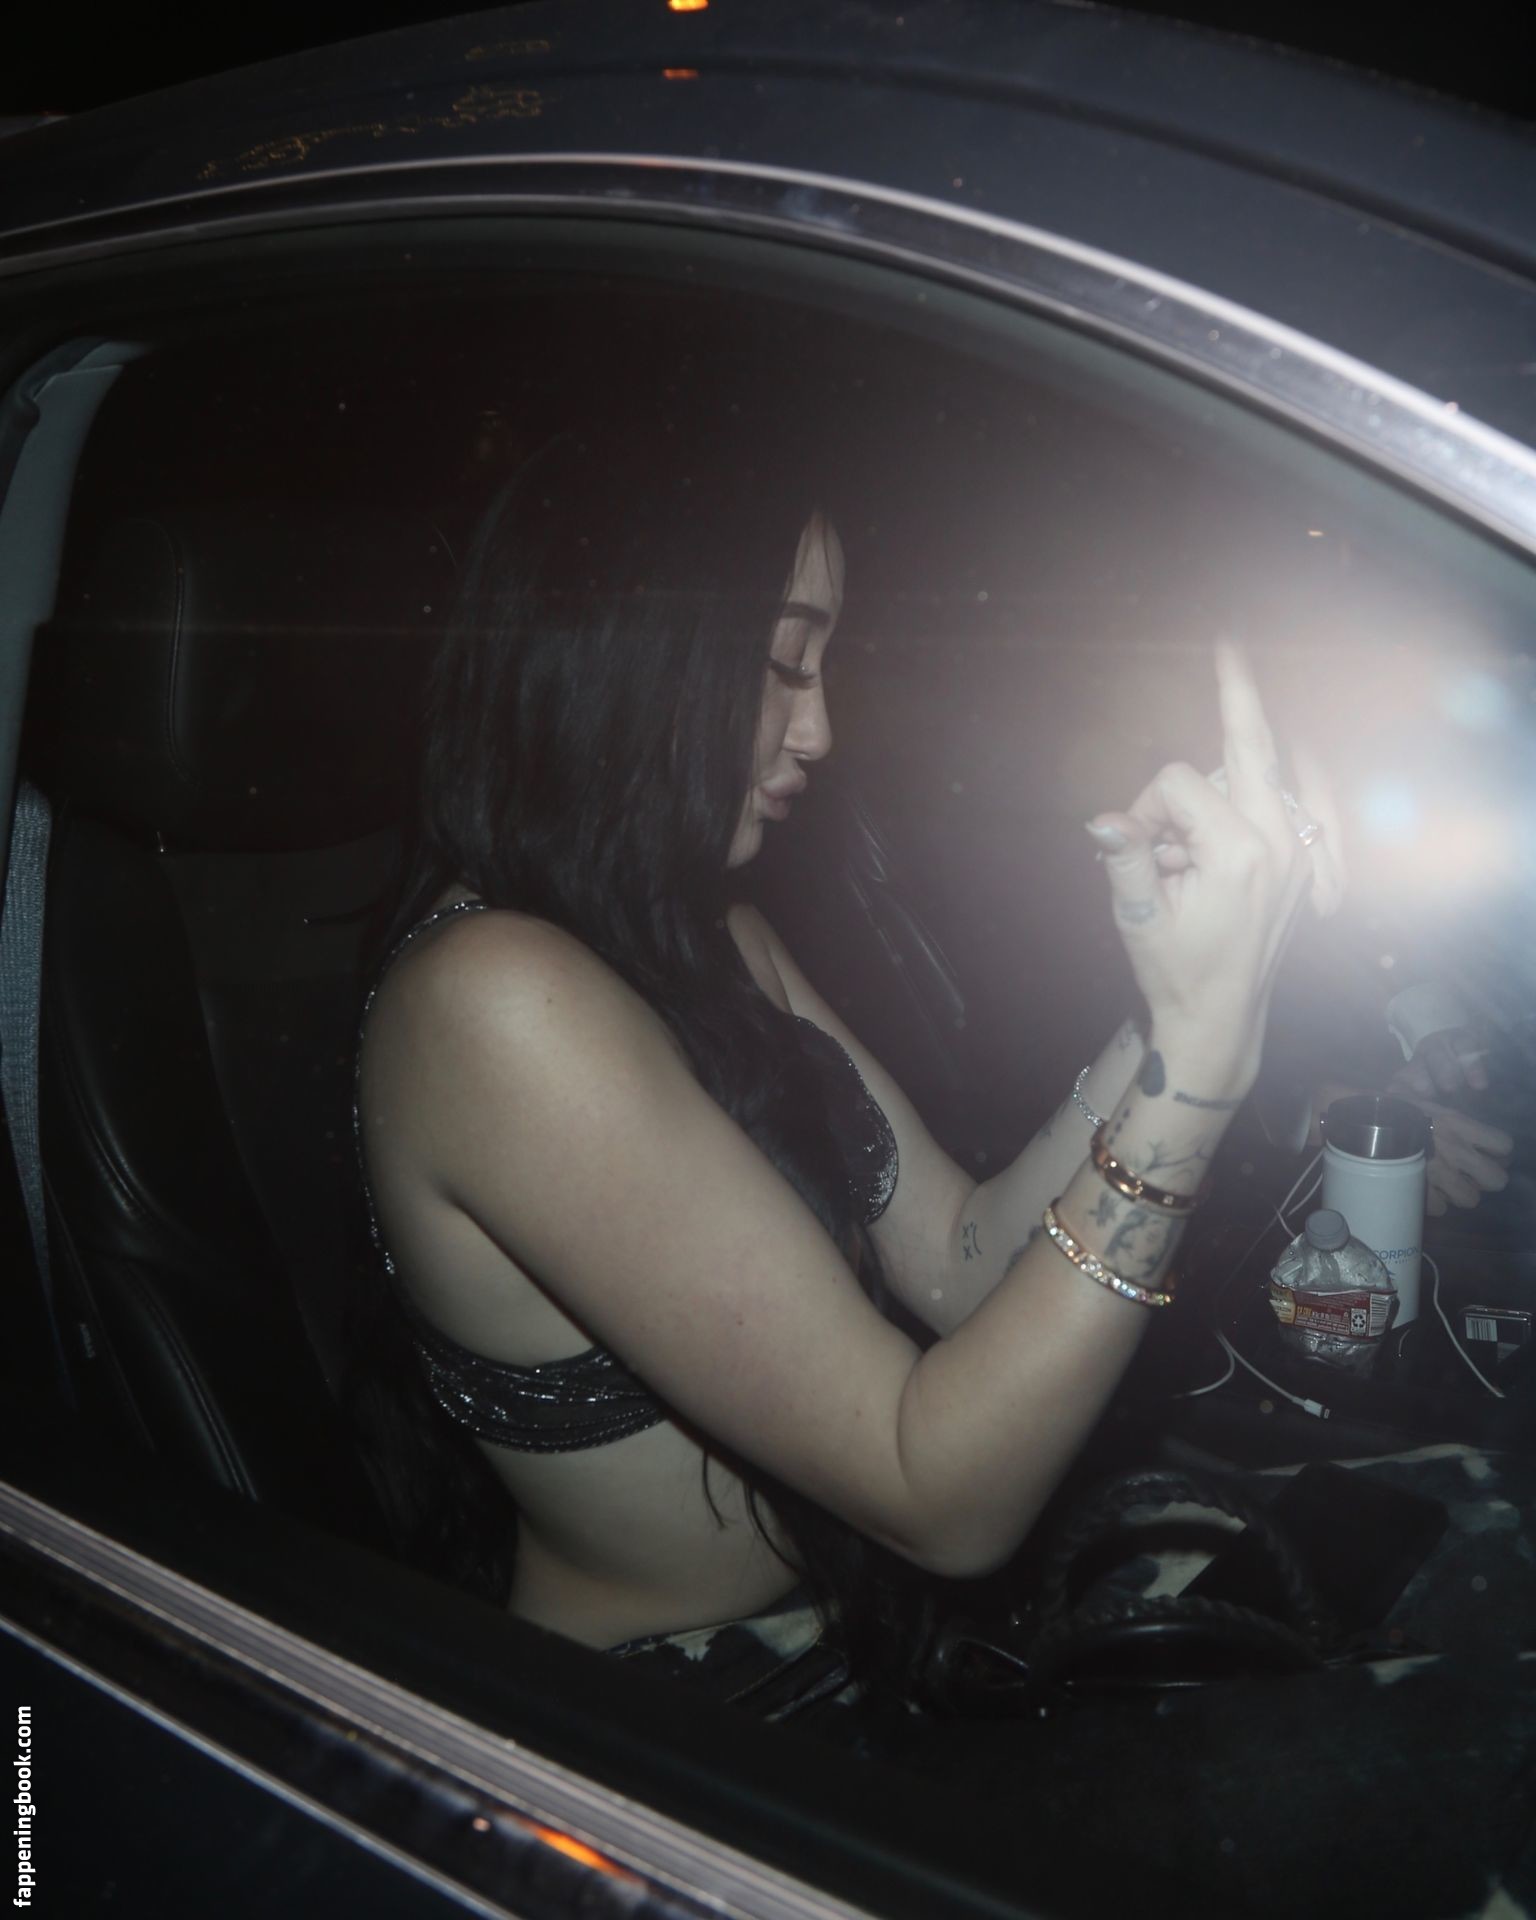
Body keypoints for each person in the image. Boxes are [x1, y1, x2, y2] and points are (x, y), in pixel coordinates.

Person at [351, 422, 1340, 1716]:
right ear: (627, 652)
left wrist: (1172, 1010)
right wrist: (1201, 1071)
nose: (821, 728)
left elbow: (966, 1259)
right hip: (662, 1719)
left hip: (853, 1655)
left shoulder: (711, 933)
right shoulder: (491, 999)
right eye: (783, 663)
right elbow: (939, 1493)